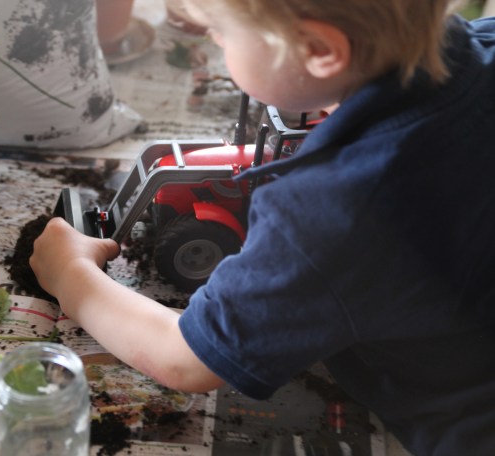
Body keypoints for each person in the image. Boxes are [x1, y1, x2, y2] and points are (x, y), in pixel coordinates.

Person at [30, 1, 495, 454]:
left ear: (318, 49)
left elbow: (184, 359)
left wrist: (72, 276)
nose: (214, 40)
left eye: (222, 32)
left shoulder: (334, 207)